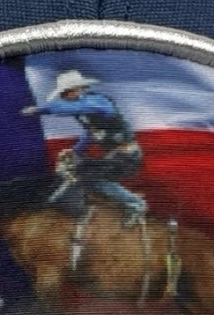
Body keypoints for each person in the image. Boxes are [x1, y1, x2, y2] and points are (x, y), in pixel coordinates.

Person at [22, 69, 148, 226]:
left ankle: (135, 203)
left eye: (66, 92)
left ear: (78, 89)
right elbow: (90, 134)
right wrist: (75, 151)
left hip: (128, 157)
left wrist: (40, 109)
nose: (64, 96)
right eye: (63, 93)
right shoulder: (83, 112)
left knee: (94, 179)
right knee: (77, 171)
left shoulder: (98, 102)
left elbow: (70, 108)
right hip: (114, 156)